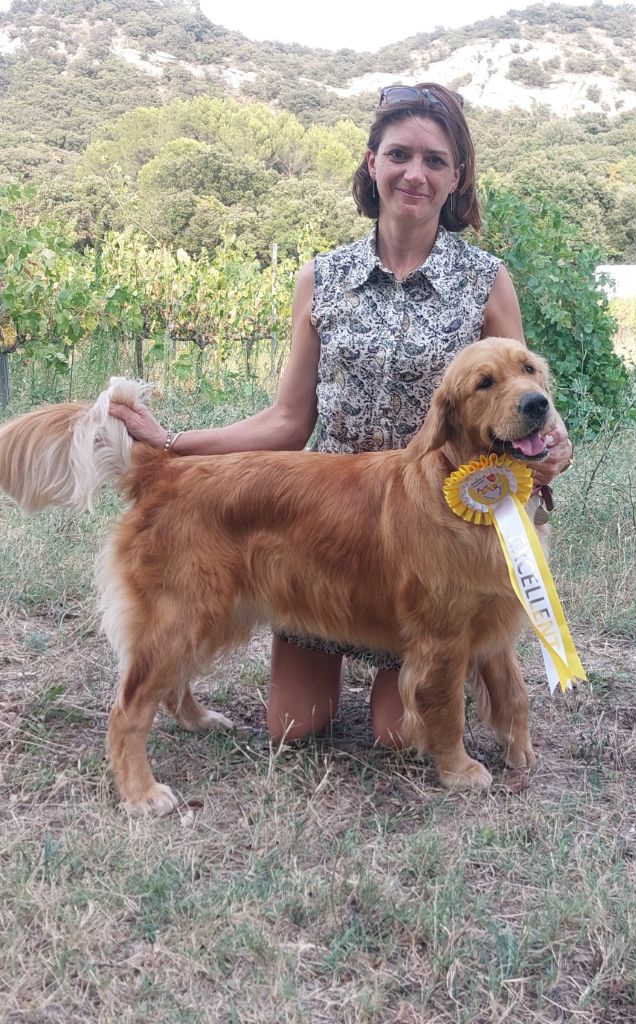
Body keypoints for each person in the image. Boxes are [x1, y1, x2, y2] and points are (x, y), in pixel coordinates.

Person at [110, 82, 573, 749]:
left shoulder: (485, 278)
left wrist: (553, 444)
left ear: (456, 177)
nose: (415, 173)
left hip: (441, 516)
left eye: (435, 160)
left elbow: (521, 392)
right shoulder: (322, 277)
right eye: (400, 154)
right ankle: (179, 694)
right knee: (293, 728)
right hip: (328, 522)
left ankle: (468, 685)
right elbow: (287, 421)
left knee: (399, 735)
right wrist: (173, 442)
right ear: (372, 162)